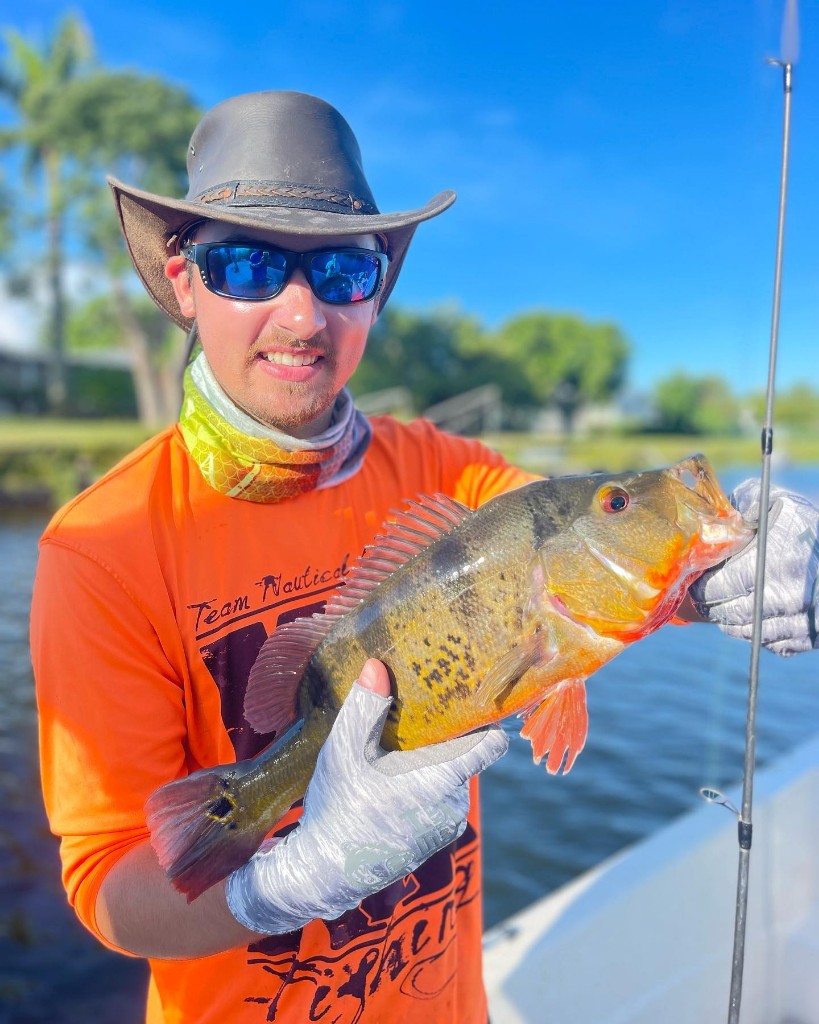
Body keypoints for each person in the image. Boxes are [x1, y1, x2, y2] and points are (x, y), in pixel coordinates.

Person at [29, 90, 818, 1024]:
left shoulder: (449, 471)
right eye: (244, 266)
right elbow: (110, 886)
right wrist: (282, 883)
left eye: (340, 271)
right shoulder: (99, 550)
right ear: (187, 284)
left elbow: (573, 552)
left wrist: (724, 568)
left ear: (376, 294)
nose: (300, 313)